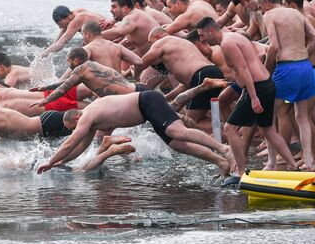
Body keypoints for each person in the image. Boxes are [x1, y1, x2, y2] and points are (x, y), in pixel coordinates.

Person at [36, 90, 235, 176]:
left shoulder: (87, 116)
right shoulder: (91, 121)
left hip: (146, 101)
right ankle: (221, 162)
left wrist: (50, 161)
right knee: (177, 144)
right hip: (146, 111)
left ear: (76, 119)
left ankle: (223, 149)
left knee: (177, 131)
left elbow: (70, 143)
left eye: (74, 128)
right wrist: (62, 161)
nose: (77, 131)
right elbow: (80, 147)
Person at [196, 17, 297, 175]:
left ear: (211, 31)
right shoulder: (235, 37)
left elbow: (243, 69)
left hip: (258, 88)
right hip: (265, 84)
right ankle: (293, 166)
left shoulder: (227, 43)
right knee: (268, 130)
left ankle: (241, 172)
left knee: (230, 128)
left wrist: (253, 96)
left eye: (202, 36)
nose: (202, 40)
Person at [257, 0, 315, 171]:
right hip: (305, 67)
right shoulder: (296, 12)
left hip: (286, 69)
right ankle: (310, 163)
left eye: (261, 5)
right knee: (302, 116)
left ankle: (271, 162)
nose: (261, 10)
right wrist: (301, 55)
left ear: (267, 2)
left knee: (269, 117)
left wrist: (266, 70)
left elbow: (274, 46)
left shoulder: (270, 15)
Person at [141, 27, 225, 128]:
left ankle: (228, 138)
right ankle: (228, 135)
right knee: (198, 118)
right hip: (213, 72)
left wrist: (136, 73)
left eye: (151, 42)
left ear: (158, 37)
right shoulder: (182, 46)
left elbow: (143, 61)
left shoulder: (162, 42)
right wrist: (165, 98)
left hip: (203, 76)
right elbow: (184, 86)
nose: (151, 46)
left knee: (191, 122)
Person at [29, 48, 147, 108]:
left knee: (99, 132)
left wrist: (45, 101)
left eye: (69, 62)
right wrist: (45, 87)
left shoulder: (80, 70)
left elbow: (63, 89)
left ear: (75, 60)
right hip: (138, 91)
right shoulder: (91, 65)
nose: (68, 65)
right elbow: (68, 82)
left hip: (133, 97)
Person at [0, 137, 136, 172]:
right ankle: (104, 147)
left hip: (23, 167)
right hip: (21, 164)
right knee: (73, 165)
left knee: (80, 171)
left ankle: (108, 150)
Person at [39, 6, 105, 58]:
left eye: (60, 24)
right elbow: (58, 41)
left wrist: (41, 56)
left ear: (68, 18)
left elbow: (60, 44)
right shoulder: (73, 14)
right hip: (102, 34)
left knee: (81, 57)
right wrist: (46, 50)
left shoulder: (76, 20)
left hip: (108, 34)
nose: (60, 27)